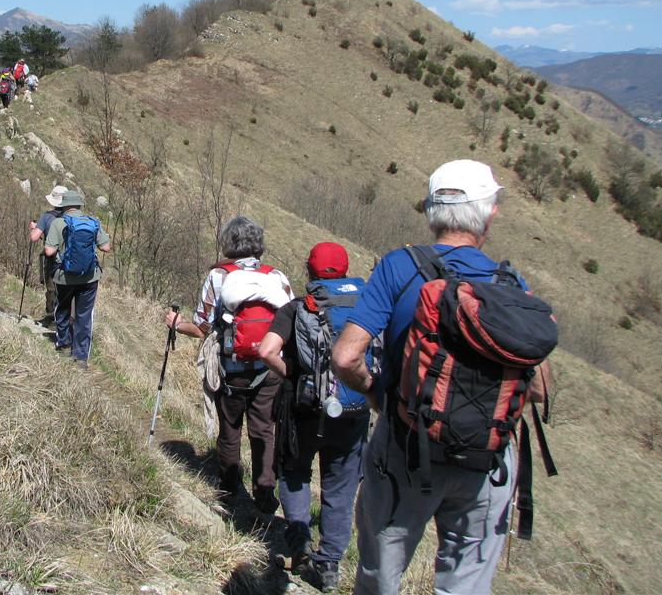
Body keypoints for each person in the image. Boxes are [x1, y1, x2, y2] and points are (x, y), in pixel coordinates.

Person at [332, 159, 553, 595]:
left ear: (432, 212)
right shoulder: (510, 285)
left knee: (380, 576)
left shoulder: (400, 267)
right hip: (485, 464)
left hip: (405, 447)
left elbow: (345, 357)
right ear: (489, 214)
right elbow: (542, 390)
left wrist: (378, 394)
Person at [258, 242, 369, 592]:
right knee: (340, 486)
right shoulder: (365, 307)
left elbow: (266, 350)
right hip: (353, 412)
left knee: (295, 471)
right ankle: (330, 564)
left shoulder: (295, 308)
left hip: (305, 410)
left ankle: (299, 542)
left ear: (308, 271)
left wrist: (293, 373)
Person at [164, 215, 291, 514]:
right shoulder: (278, 276)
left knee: (230, 429)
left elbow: (202, 327)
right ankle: (264, 492)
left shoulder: (218, 276)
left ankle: (229, 491)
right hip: (268, 370)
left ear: (228, 243)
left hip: (230, 369)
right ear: (258, 244)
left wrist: (176, 324)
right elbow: (289, 322)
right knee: (263, 430)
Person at [43, 190, 112, 370]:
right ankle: (81, 356)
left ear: (63, 206)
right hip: (89, 277)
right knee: (84, 315)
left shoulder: (59, 223)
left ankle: (64, 344)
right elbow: (106, 247)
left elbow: (49, 252)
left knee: (63, 309)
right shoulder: (93, 222)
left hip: (64, 277)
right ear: (80, 205)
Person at [29, 184, 67, 326]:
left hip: (51, 258)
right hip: (68, 258)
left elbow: (34, 237)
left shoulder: (47, 217)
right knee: (64, 289)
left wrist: (35, 228)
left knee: (51, 288)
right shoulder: (71, 218)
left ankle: (51, 318)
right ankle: (64, 320)